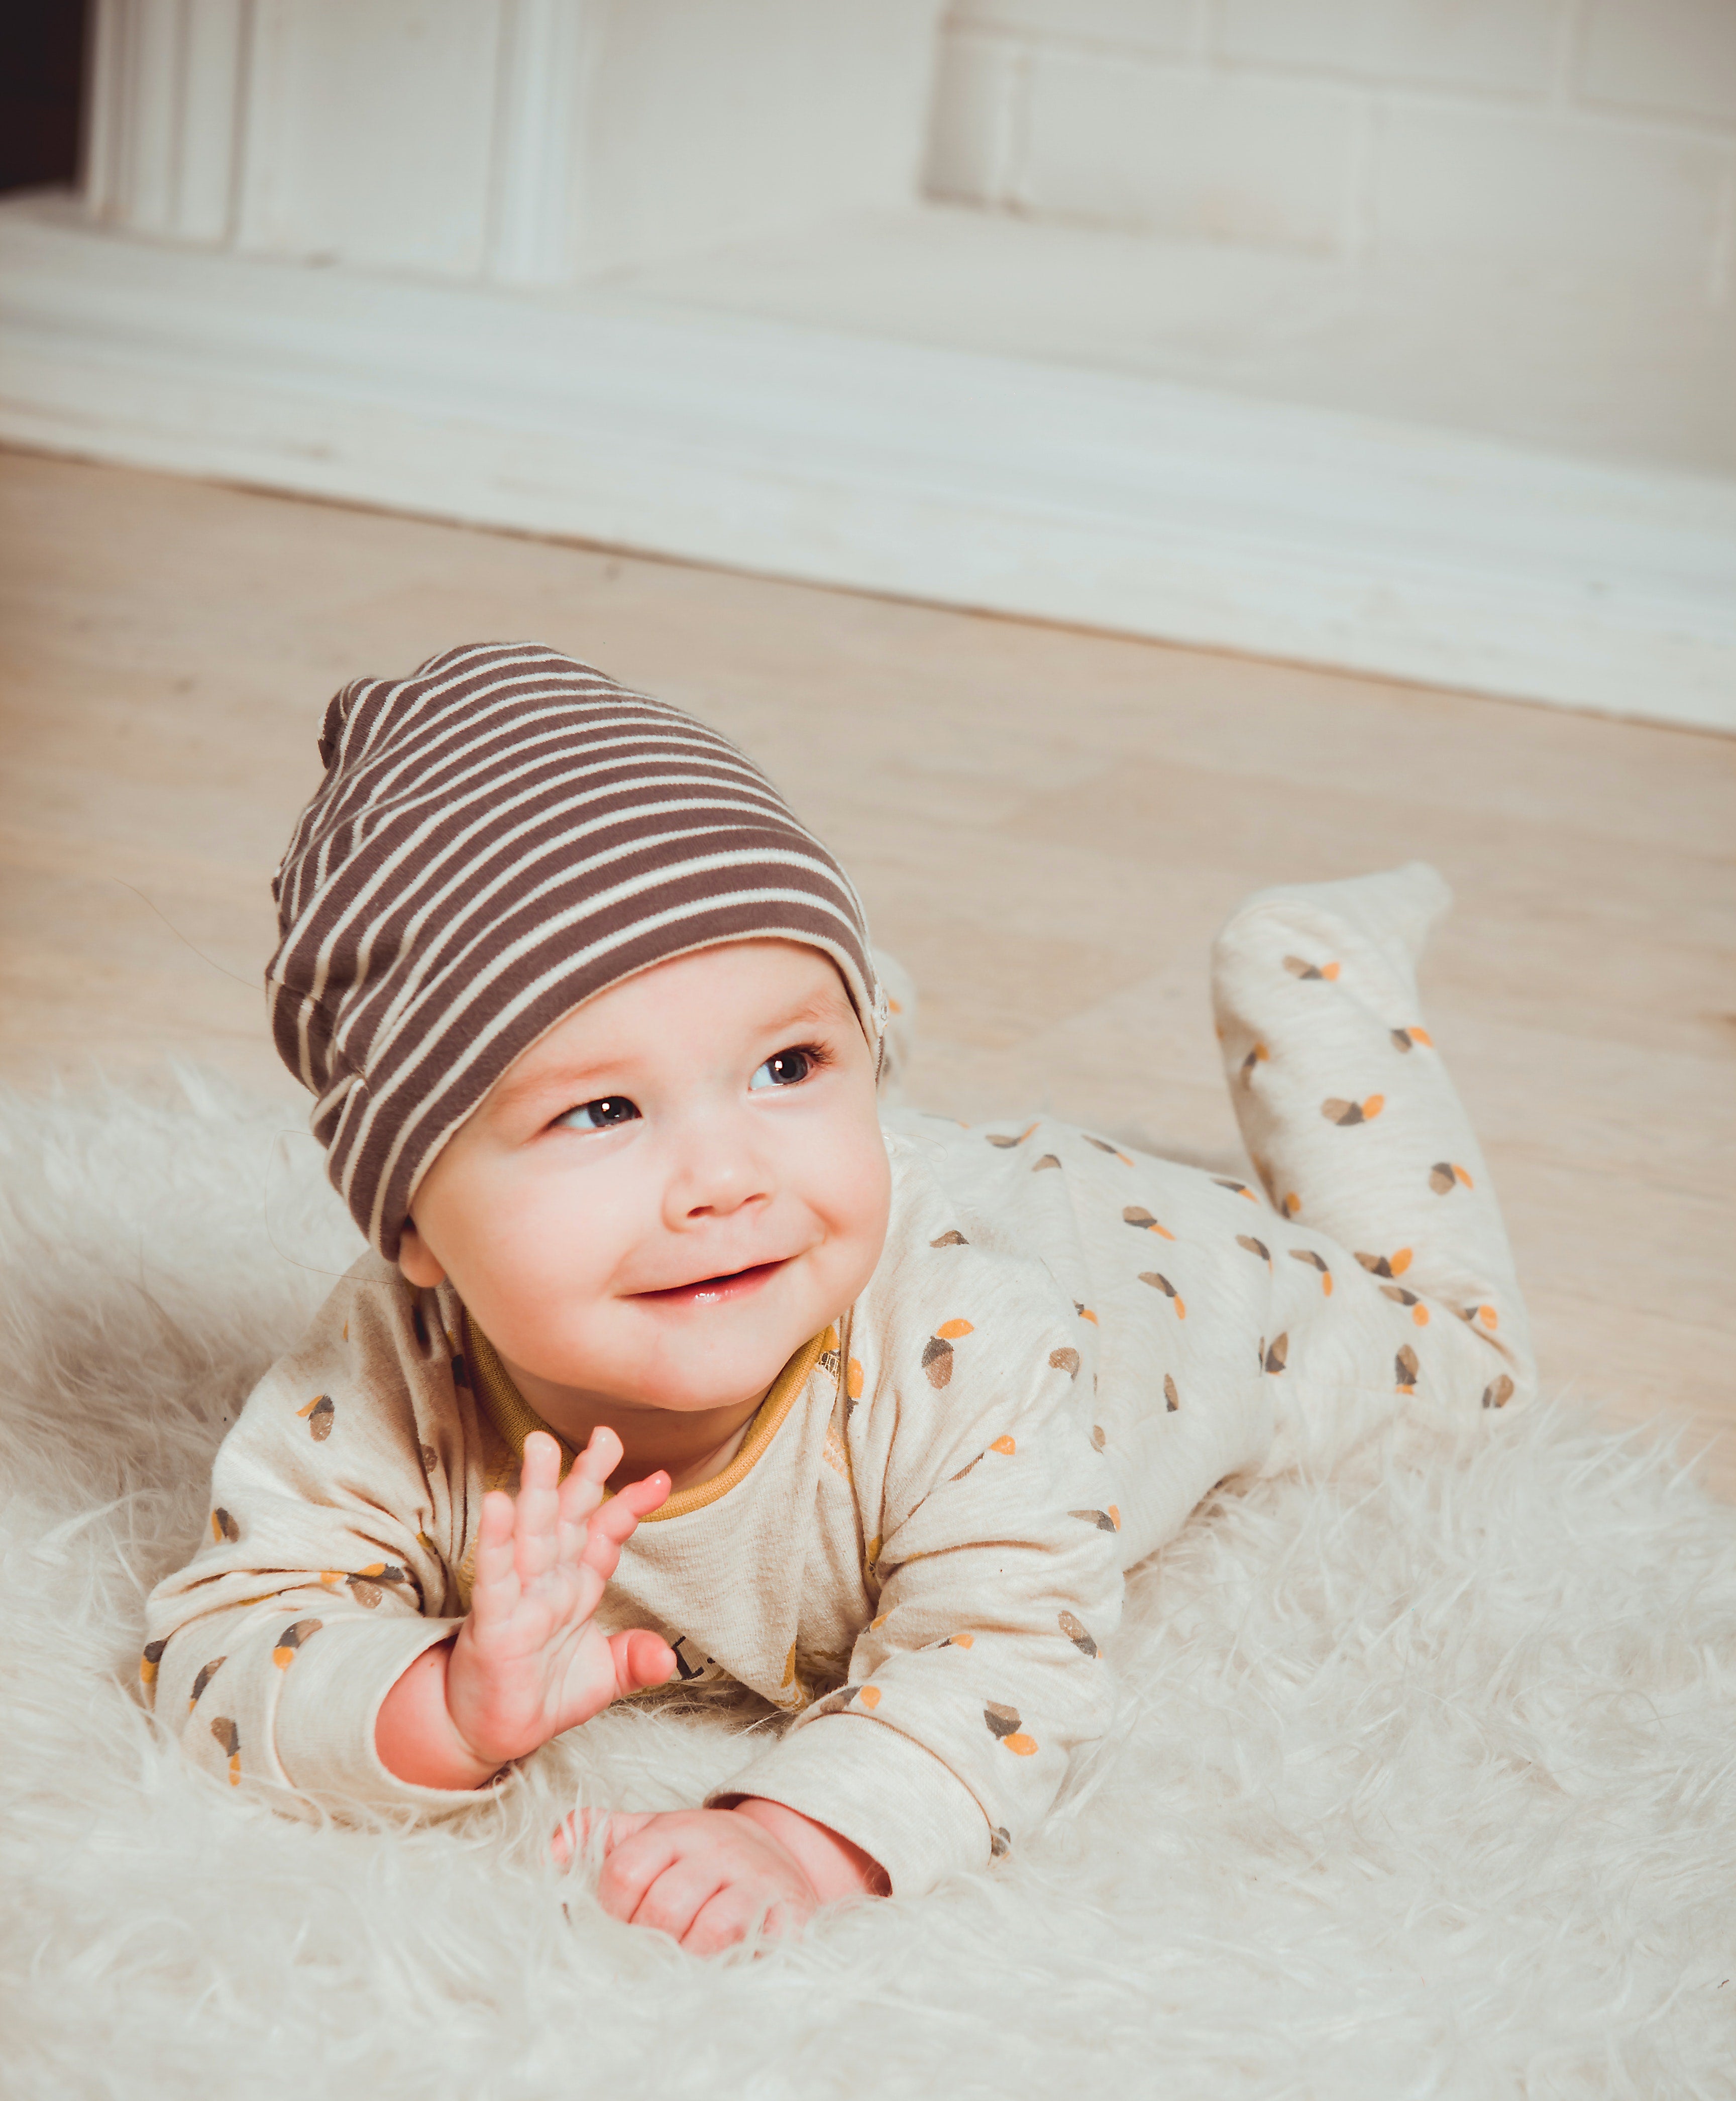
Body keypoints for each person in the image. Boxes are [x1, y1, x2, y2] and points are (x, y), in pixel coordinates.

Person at [142, 642, 1533, 1954]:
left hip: (1128, 1266)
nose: (722, 1181)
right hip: (878, 1195)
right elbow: (222, 1644)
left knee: (1461, 1355)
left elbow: (1004, 1656)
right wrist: (437, 1702)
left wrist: (798, 1841)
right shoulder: (389, 1375)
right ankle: (843, 1036)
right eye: (605, 1109)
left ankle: (1309, 976)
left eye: (788, 1067)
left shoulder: (973, 1345)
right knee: (810, 1151)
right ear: (412, 1224)